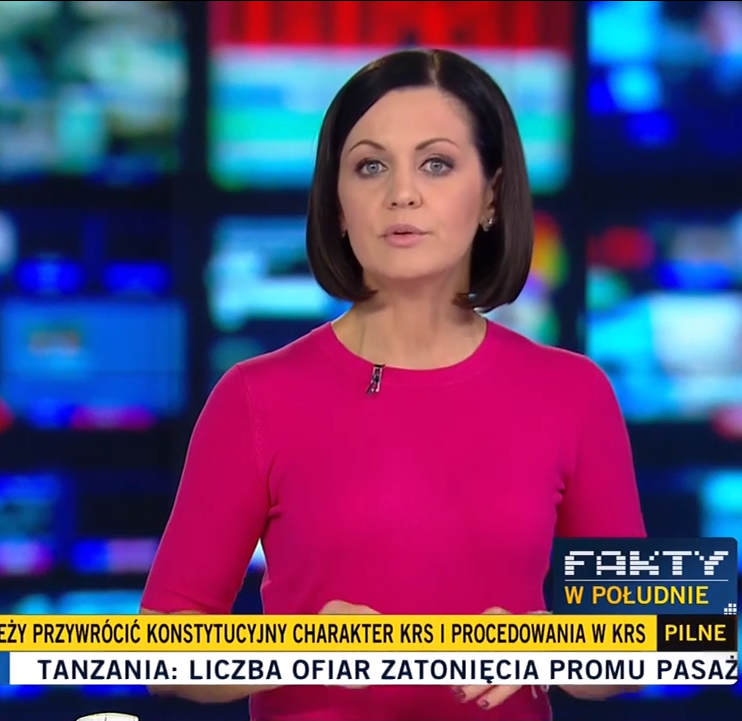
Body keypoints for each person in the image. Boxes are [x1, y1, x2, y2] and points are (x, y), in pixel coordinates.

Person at [141, 49, 645, 720]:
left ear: (492, 195)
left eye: (436, 164)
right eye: (370, 166)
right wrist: (293, 648)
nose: (401, 193)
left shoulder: (574, 392)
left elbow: (658, 639)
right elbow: (160, 650)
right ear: (337, 205)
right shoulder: (253, 397)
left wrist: (547, 646)